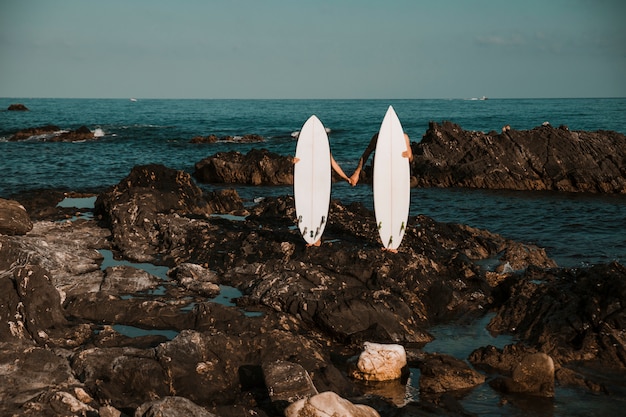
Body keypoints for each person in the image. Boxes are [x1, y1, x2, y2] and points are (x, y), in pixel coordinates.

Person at [349, 132, 413, 186]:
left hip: (397, 176)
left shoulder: (403, 137)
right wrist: (356, 173)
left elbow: (410, 159)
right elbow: (365, 155)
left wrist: (409, 154)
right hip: (380, 175)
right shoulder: (378, 137)